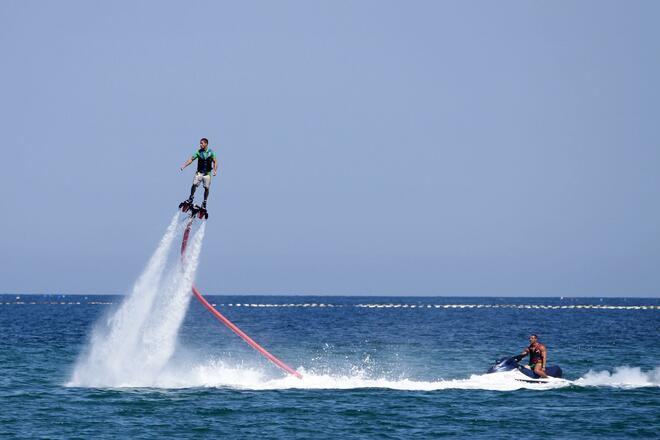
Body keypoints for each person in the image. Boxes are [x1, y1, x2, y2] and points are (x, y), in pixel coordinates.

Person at [180, 138, 218, 209]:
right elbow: (191, 159)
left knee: (206, 188)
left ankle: (204, 202)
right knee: (194, 184)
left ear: (206, 144)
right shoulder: (199, 152)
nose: (200, 145)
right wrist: (184, 165)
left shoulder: (211, 152)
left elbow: (215, 161)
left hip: (207, 174)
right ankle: (191, 197)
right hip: (199, 173)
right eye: (200, 143)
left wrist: (215, 170)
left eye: (202, 143)